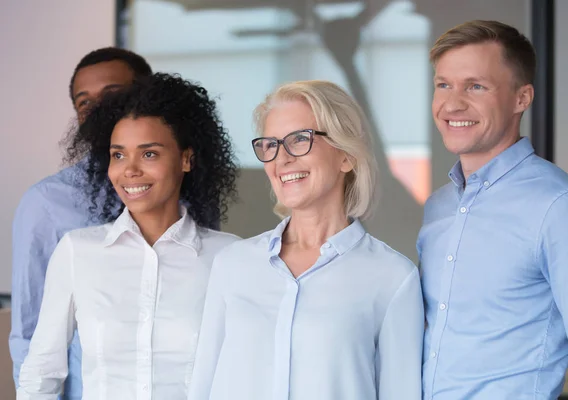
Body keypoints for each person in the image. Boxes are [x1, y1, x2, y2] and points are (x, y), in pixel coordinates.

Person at [188, 80, 424, 400]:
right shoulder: (233, 264)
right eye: (271, 145)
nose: (281, 159)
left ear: (346, 156)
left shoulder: (393, 277)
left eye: (300, 139)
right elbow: (203, 387)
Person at [17, 73, 239, 399]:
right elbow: (41, 373)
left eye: (149, 154)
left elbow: (245, 371)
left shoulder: (229, 256)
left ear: (186, 159)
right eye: (118, 154)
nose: (129, 170)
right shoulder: (78, 251)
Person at [418, 20, 568, 399]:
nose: (452, 104)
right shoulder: (439, 208)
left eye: (476, 86)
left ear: (522, 98)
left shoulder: (560, 209)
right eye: (443, 85)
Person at [10, 47, 152, 400]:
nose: (95, 109)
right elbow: (30, 327)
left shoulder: (184, 193)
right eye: (83, 101)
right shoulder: (46, 202)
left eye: (112, 95)